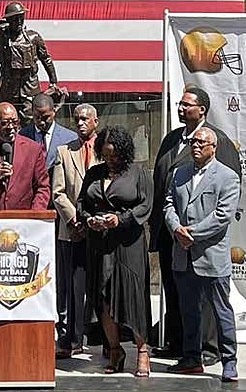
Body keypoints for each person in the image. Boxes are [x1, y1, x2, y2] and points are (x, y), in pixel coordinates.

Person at [148, 86, 241, 364]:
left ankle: (210, 349)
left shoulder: (218, 140)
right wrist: (173, 227)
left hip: (204, 242)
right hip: (173, 234)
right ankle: (181, 345)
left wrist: (195, 232)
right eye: (179, 103)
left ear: (202, 109)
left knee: (210, 302)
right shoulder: (172, 139)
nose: (180, 108)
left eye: (187, 104)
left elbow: (226, 190)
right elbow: (164, 186)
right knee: (178, 293)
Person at [163, 127, 240, 382]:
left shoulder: (227, 177)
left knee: (221, 311)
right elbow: (169, 204)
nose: (196, 146)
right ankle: (191, 358)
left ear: (213, 147)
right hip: (183, 256)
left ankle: (229, 360)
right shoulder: (179, 173)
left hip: (211, 256)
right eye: (194, 142)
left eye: (202, 143)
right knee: (188, 311)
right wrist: (176, 228)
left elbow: (222, 216)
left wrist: (191, 233)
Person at [77, 126, 153, 377]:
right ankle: (115, 349)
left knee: (133, 297)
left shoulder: (138, 173)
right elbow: (81, 203)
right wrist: (89, 219)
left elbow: (146, 205)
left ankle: (142, 352)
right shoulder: (94, 173)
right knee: (102, 297)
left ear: (124, 152)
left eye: (115, 155)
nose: (110, 159)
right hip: (99, 244)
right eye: (106, 154)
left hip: (127, 245)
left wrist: (120, 220)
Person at [51, 103, 99, 359]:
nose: (80, 123)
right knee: (72, 286)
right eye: (77, 119)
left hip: (99, 229)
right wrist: (73, 220)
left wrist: (94, 220)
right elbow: (57, 192)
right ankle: (72, 337)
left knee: (100, 283)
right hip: (72, 230)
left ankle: (101, 335)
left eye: (85, 119)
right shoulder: (63, 151)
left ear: (95, 122)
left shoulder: (106, 148)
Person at [0, 1, 57, 104]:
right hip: (8, 90)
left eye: (21, 17)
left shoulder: (34, 37)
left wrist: (53, 81)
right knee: (6, 117)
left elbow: (46, 58)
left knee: (30, 117)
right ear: (8, 20)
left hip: (30, 88)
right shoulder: (1, 36)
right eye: (15, 18)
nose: (19, 21)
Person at [19, 93, 77, 173]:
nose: (41, 122)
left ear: (54, 111)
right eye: (37, 117)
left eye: (45, 117)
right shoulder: (22, 136)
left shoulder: (70, 138)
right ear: (32, 112)